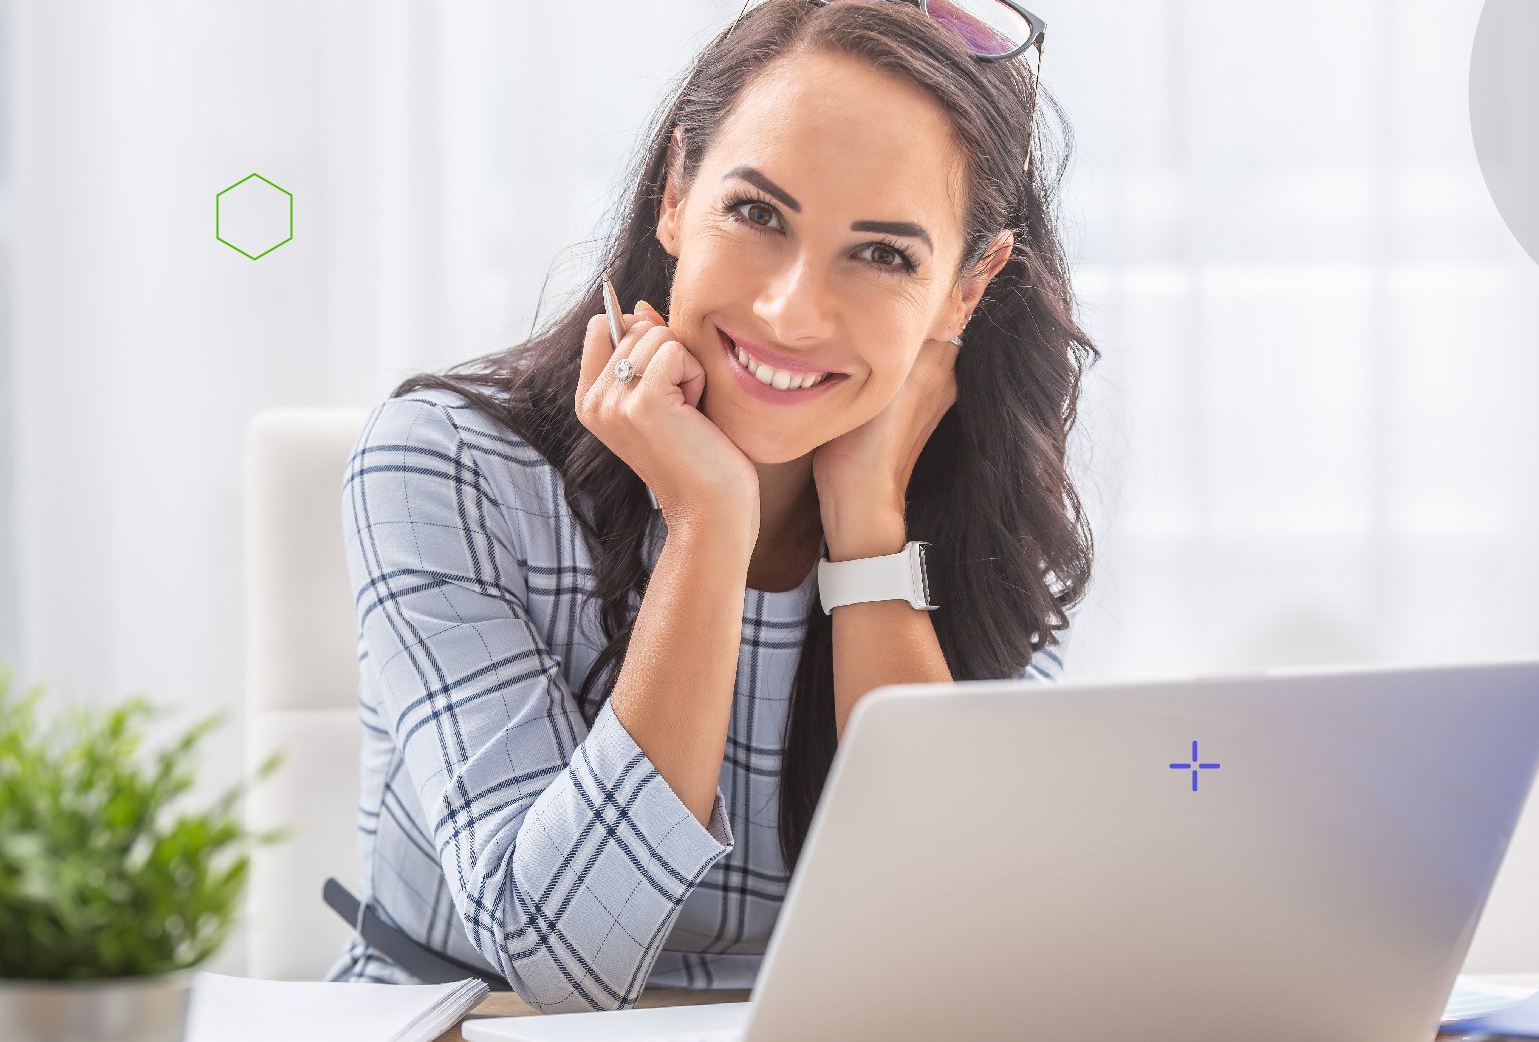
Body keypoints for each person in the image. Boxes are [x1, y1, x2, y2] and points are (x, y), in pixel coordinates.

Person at [325, 0, 1096, 1013]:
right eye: (758, 213)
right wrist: (706, 527)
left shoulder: (995, 524)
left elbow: (956, 948)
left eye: (883, 254)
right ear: (677, 191)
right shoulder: (446, 467)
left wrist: (866, 526)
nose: (788, 311)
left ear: (965, 287)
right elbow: (559, 965)